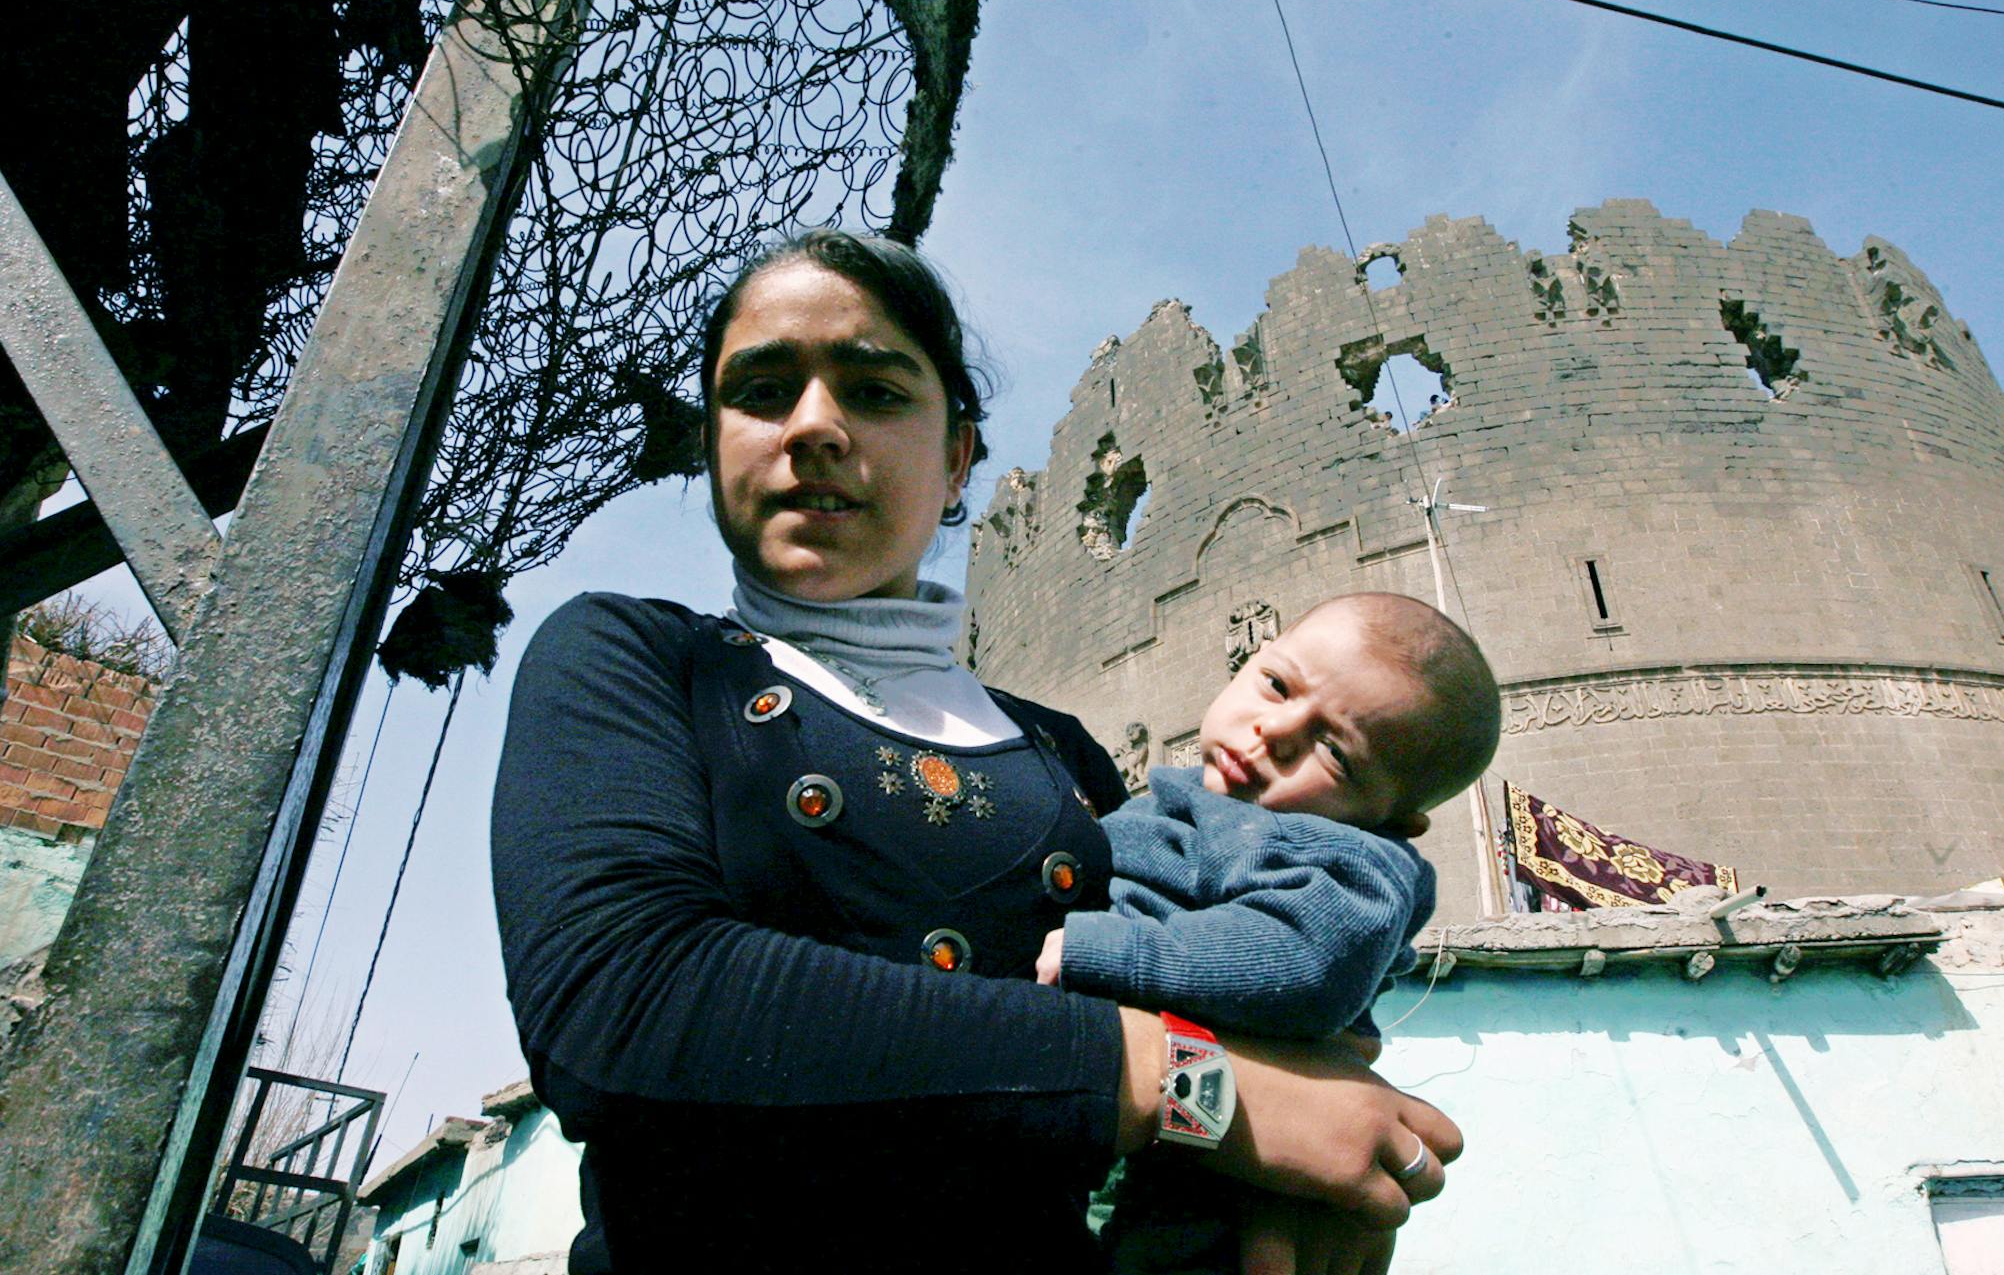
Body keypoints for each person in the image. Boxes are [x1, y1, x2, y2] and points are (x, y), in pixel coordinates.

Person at [491, 229, 1463, 1275]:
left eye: (873, 391)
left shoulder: (1066, 759)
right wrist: (1187, 1090)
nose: (814, 425)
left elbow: (1250, 1002)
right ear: (713, 440)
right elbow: (625, 1003)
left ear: (956, 456)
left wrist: (1302, 1178)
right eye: (763, 390)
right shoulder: (634, 659)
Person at [1036, 591, 1501, 1272]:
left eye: (1336, 752)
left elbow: (1303, 961)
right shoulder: (1192, 801)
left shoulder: (1348, 858)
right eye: (1277, 684)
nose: (1276, 732)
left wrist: (1110, 954)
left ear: (1392, 818)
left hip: (1201, 1175)